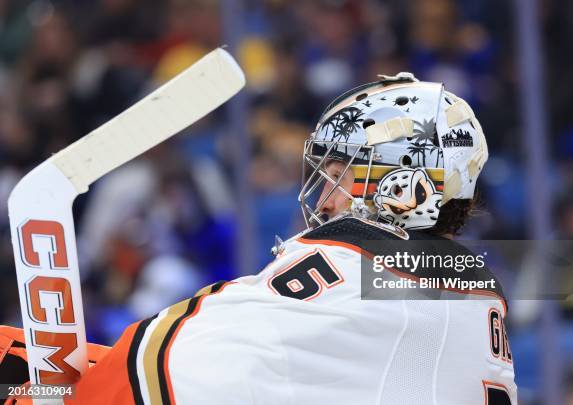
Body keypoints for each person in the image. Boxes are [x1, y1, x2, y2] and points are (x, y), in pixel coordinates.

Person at [0, 73, 517, 404]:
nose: (324, 200)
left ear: (398, 184)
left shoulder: (353, 268)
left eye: (336, 175)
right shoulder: (466, 289)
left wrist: (46, 388)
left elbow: (172, 363)